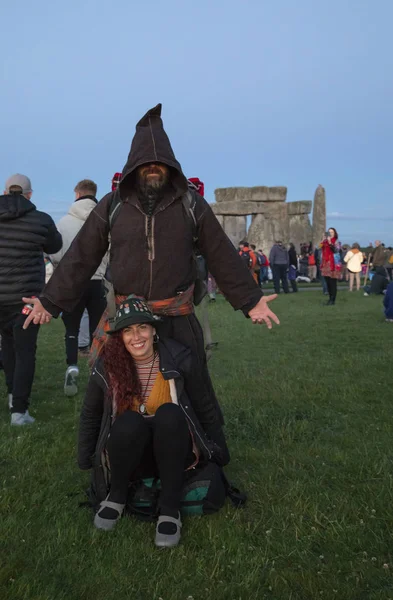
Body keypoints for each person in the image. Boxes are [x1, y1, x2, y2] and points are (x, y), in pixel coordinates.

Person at [23, 104, 279, 458]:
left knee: (193, 390)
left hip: (176, 318)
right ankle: (117, 463)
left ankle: (205, 457)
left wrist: (250, 300)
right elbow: (81, 256)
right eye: (146, 164)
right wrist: (49, 302)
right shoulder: (112, 206)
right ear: (134, 169)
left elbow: (220, 252)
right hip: (126, 322)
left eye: (159, 164)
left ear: (171, 167)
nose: (153, 170)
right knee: (120, 391)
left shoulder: (192, 204)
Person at [78, 297, 225, 546]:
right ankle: (117, 496)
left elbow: (204, 405)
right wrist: (85, 458)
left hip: (175, 453)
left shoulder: (179, 358)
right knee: (130, 421)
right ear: (120, 337)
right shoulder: (108, 365)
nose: (136, 336)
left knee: (169, 413)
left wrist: (220, 451)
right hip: (130, 456)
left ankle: (170, 508)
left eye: (142, 327)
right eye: (128, 330)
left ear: (153, 330)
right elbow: (90, 414)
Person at [0, 174, 62, 425]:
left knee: (7, 345)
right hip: (27, 299)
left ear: (5, 192)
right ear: (30, 194)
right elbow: (54, 246)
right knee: (25, 352)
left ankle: (13, 394)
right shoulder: (42, 220)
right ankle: (19, 411)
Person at [50, 179, 107, 396]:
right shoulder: (102, 219)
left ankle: (72, 365)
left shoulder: (64, 223)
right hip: (97, 281)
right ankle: (97, 371)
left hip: (73, 282)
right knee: (97, 330)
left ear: (76, 194)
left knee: (72, 329)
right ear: (94, 194)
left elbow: (55, 253)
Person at [320, 227, 342, 306]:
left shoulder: (337, 241)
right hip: (326, 263)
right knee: (327, 282)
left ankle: (333, 300)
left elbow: (336, 250)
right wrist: (322, 240)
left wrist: (330, 242)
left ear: (335, 233)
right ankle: (330, 298)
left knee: (332, 282)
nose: (330, 234)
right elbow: (318, 247)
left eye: (332, 232)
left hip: (333, 264)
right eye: (329, 232)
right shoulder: (324, 242)